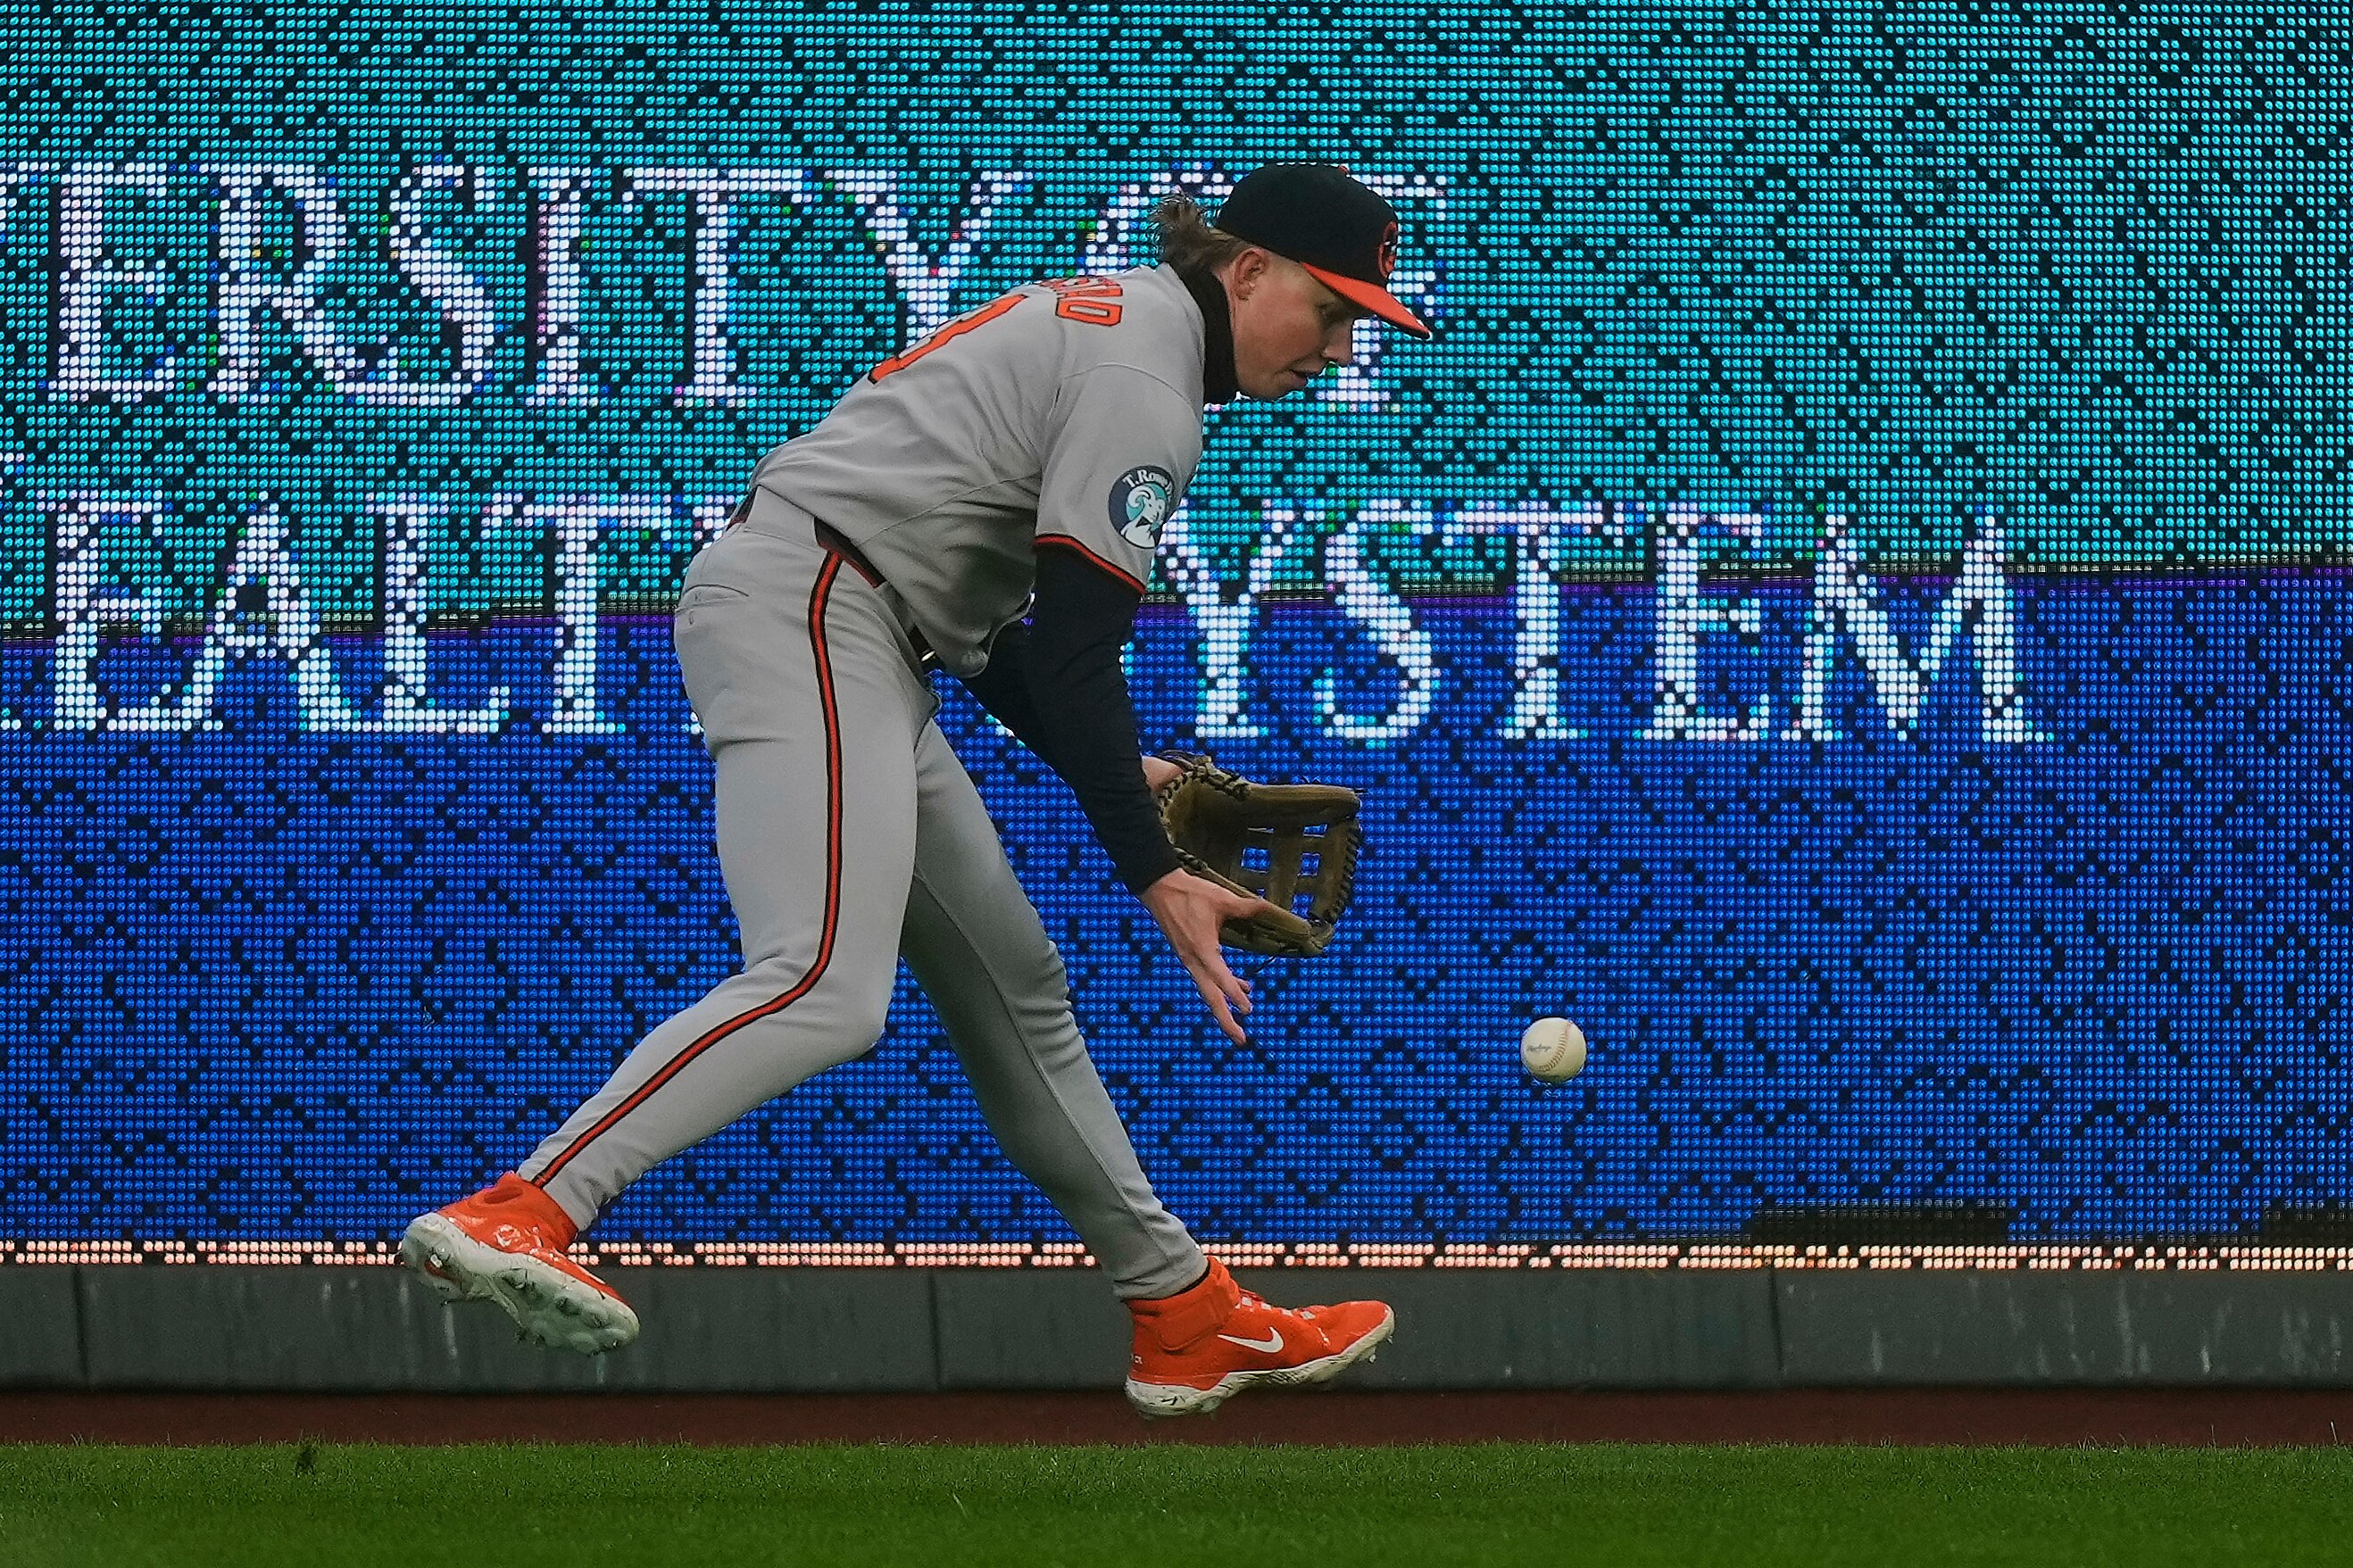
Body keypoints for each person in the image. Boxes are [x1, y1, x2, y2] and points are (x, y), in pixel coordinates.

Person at [401, 163, 1434, 1417]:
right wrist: (1152, 864)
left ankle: (1183, 1312)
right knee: (822, 982)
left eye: (1356, 324)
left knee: (1018, 986)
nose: (1336, 348)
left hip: (867, 624)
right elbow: (1077, 644)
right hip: (819, 605)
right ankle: (524, 1207)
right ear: (1247, 266)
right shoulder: (1145, 380)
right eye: (1330, 311)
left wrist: (1128, 776)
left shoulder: (1126, 333)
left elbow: (999, 637)